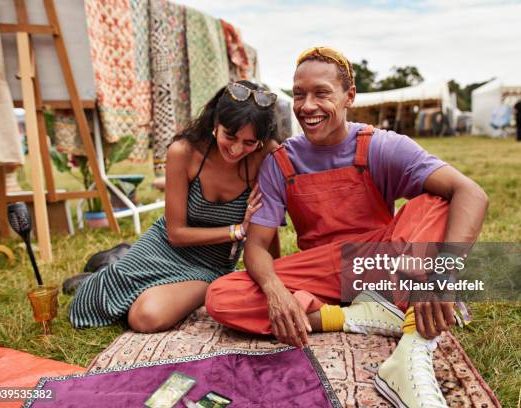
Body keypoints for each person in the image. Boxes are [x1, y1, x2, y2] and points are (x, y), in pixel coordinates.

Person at [205, 47, 488, 407]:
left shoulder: (382, 146)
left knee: (440, 200)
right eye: (299, 94)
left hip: (387, 263)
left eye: (322, 93)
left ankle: (410, 352)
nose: (308, 105)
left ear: (349, 96)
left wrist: (444, 274)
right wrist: (276, 292)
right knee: (221, 296)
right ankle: (359, 314)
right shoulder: (280, 163)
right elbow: (258, 247)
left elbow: (471, 193)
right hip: (326, 271)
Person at [69, 80, 279, 332]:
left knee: (145, 318)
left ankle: (118, 262)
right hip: (166, 246)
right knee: (91, 303)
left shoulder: (266, 156)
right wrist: (238, 230)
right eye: (230, 136)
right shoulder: (184, 152)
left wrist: (276, 280)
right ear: (215, 124)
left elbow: (270, 224)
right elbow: (176, 233)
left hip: (211, 266)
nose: (236, 149)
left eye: (249, 142)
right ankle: (110, 266)